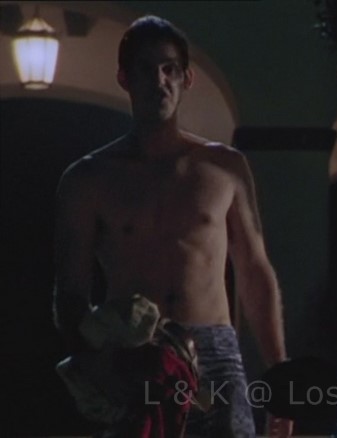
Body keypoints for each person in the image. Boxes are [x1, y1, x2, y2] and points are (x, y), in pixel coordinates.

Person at [53, 15, 293, 437]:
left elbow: (255, 271)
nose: (159, 81)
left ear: (187, 79)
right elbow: (71, 291)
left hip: (215, 353)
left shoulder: (224, 167)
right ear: (125, 78)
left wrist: (280, 376)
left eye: (169, 69)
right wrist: (96, 363)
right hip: (135, 356)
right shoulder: (88, 180)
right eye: (146, 69)